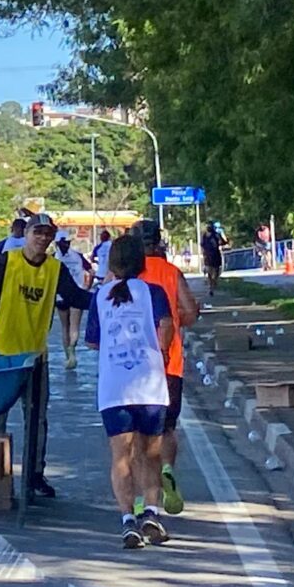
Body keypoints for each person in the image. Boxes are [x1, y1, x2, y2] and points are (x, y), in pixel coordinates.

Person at [0, 214, 92, 498]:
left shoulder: (55, 269)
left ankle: (34, 476)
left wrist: (109, 297)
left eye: (48, 234)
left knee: (36, 419)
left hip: (34, 358)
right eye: (38, 233)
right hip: (0, 355)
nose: (43, 239)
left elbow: (76, 297)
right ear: (27, 234)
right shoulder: (6, 262)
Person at [85, 234, 175, 548]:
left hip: (114, 389)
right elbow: (166, 326)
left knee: (121, 457)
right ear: (141, 262)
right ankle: (151, 512)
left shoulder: (100, 296)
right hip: (150, 384)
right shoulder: (153, 292)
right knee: (150, 455)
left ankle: (127, 518)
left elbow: (93, 341)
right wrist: (161, 351)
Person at [131, 220, 199, 516]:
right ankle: (168, 468)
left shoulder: (125, 273)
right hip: (169, 364)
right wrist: (174, 318)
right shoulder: (171, 271)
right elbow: (191, 312)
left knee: (135, 435)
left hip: (132, 367)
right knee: (167, 427)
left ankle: (141, 497)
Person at [53, 230, 92, 370]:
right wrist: (87, 287)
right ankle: (72, 352)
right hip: (78, 294)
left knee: (65, 327)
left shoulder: (53, 258)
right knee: (74, 326)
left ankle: (67, 356)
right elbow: (91, 271)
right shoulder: (78, 256)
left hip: (60, 296)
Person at [201, 223, 225, 295]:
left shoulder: (206, 235)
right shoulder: (215, 235)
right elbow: (223, 242)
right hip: (214, 254)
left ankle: (212, 284)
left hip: (209, 255)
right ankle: (213, 283)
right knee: (215, 270)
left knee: (211, 270)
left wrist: (204, 253)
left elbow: (202, 245)